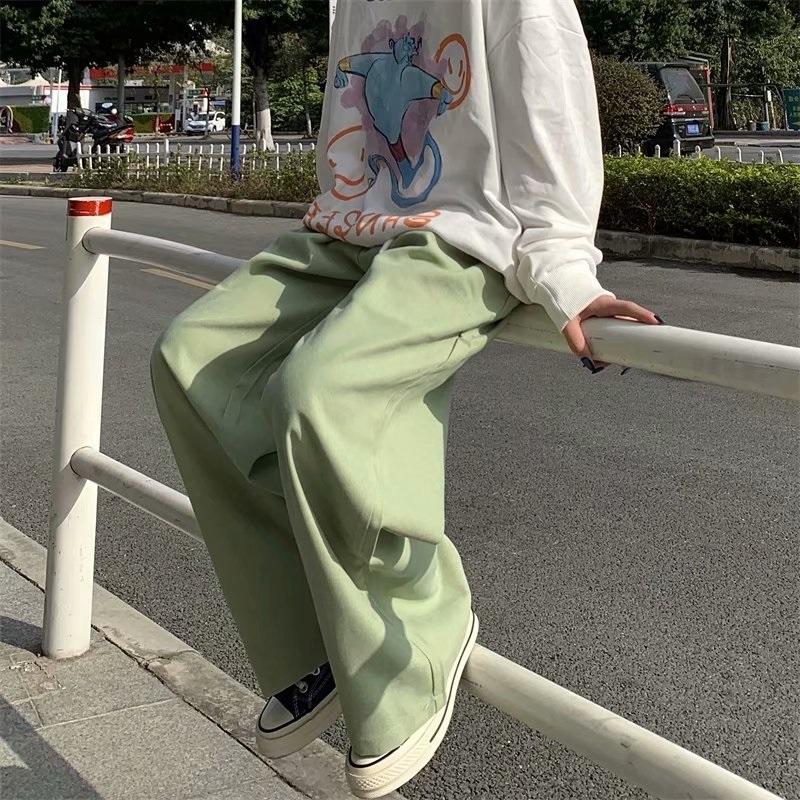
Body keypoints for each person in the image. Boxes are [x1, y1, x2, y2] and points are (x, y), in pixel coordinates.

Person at [150, 0, 660, 796]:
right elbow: (348, 117)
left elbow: (551, 101)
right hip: (353, 229)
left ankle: (412, 640)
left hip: (464, 238)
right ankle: (311, 643)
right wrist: (340, 202)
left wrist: (563, 270)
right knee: (190, 360)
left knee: (322, 391)